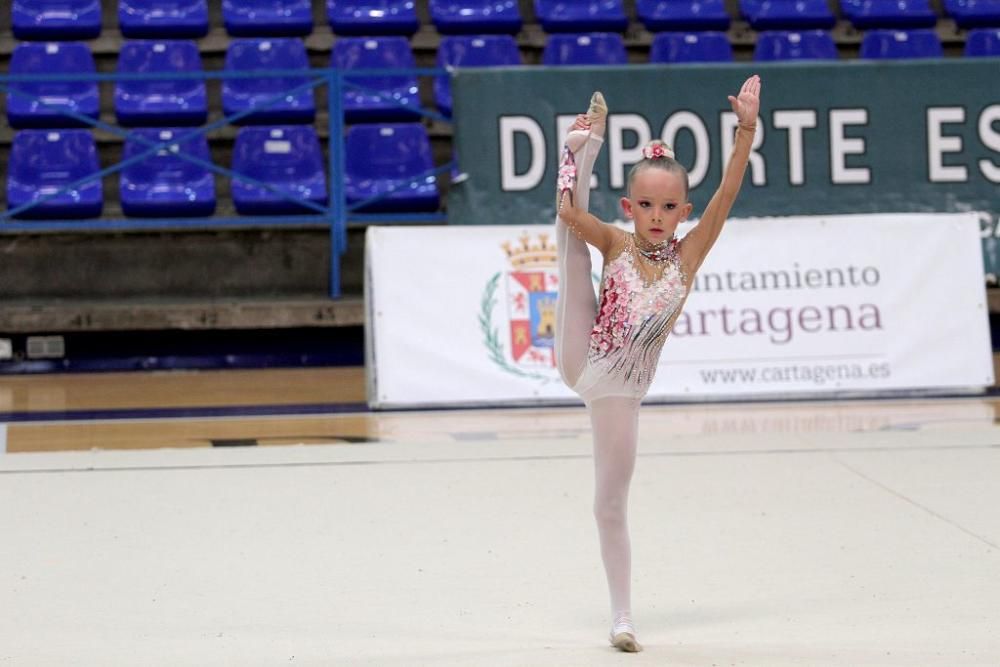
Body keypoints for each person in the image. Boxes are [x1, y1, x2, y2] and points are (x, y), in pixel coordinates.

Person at [554, 75, 762, 653]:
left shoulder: (689, 255)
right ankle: (579, 149)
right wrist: (572, 189)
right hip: (583, 357)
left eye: (669, 207)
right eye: (645, 204)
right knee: (570, 243)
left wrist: (745, 128)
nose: (656, 214)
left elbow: (727, 193)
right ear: (630, 206)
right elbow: (574, 218)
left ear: (683, 211)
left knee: (609, 502)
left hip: (620, 394)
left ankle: (622, 618)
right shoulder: (617, 242)